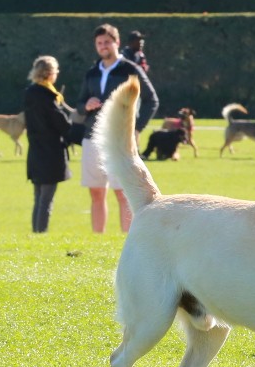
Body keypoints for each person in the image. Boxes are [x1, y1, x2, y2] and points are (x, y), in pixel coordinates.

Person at [77, 22, 157, 233]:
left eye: (107, 42)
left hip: (121, 141)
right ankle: (97, 238)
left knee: (123, 193)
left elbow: (151, 100)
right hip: (91, 138)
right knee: (95, 192)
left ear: (117, 43)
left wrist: (137, 128)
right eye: (99, 43)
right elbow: (79, 103)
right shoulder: (92, 72)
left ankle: (127, 239)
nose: (103, 46)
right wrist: (86, 105)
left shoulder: (131, 70)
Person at [22, 55, 77, 235]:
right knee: (46, 200)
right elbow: (61, 124)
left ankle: (36, 232)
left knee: (38, 198)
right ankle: (41, 234)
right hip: (51, 153)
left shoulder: (30, 93)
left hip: (35, 151)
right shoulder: (48, 96)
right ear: (49, 73)